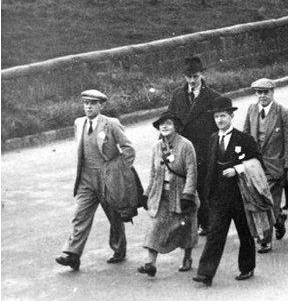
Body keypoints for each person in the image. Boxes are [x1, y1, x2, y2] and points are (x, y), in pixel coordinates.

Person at [56, 89, 135, 271]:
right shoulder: (79, 123)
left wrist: (118, 171)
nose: (88, 107)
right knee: (80, 215)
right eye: (86, 103)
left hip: (108, 179)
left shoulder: (111, 124)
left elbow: (129, 150)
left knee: (114, 216)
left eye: (93, 103)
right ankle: (72, 254)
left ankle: (119, 249)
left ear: (101, 105)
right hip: (86, 179)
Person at [193, 96, 262, 286]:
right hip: (218, 197)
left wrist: (238, 169)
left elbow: (257, 162)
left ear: (231, 116)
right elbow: (208, 168)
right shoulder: (213, 139)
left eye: (223, 116)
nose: (219, 121)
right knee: (215, 234)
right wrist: (206, 195)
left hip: (240, 195)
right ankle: (205, 273)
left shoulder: (244, 139)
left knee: (244, 232)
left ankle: (247, 268)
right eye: (216, 117)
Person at [138, 111, 198, 277]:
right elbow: (153, 173)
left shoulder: (186, 145)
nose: (164, 126)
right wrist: (147, 193)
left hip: (181, 194)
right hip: (161, 195)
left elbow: (192, 172)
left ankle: (187, 257)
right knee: (156, 226)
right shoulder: (157, 147)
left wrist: (188, 195)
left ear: (176, 127)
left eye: (168, 123)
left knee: (186, 228)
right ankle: (150, 263)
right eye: (161, 124)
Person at [242, 78, 288, 253]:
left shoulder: (282, 112)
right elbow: (244, 136)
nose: (262, 96)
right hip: (255, 167)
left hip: (275, 168)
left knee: (268, 204)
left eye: (266, 92)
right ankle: (278, 220)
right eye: (259, 92)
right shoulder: (251, 110)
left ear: (273, 92)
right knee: (259, 201)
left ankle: (266, 239)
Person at [167, 56, 221, 236]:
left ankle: (206, 223)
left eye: (195, 76)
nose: (191, 81)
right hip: (182, 150)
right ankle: (188, 224)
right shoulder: (177, 95)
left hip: (204, 150)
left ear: (202, 74)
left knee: (204, 189)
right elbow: (170, 120)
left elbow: (217, 127)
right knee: (184, 188)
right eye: (188, 77)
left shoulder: (213, 97)